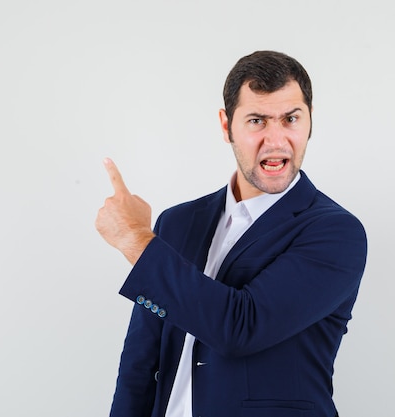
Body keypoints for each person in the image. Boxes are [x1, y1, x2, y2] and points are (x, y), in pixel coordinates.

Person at [95, 50, 367, 417]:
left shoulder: (336, 232)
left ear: (310, 121)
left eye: (290, 119)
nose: (276, 140)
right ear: (226, 126)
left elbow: (240, 327)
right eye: (257, 120)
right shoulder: (177, 223)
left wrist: (134, 238)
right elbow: (139, 363)